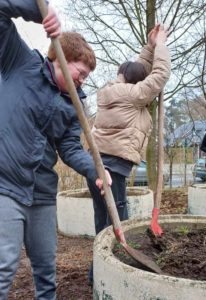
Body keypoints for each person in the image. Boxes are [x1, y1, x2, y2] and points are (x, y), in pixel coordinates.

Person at [0, 1, 110, 299]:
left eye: (87, 76)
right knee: (4, 266)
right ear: (61, 57)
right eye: (81, 70)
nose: (82, 79)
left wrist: (95, 170)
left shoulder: (73, 106)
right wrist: (40, 13)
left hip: (42, 193)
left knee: (46, 270)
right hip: (5, 185)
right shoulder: (18, 62)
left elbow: (70, 148)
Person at [86, 24, 171, 284]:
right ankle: (111, 274)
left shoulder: (113, 90)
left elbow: (138, 70)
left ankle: (97, 273)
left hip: (99, 164)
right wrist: (163, 44)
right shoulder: (135, 96)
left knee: (105, 220)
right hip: (112, 168)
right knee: (117, 222)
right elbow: (159, 74)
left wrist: (150, 47)